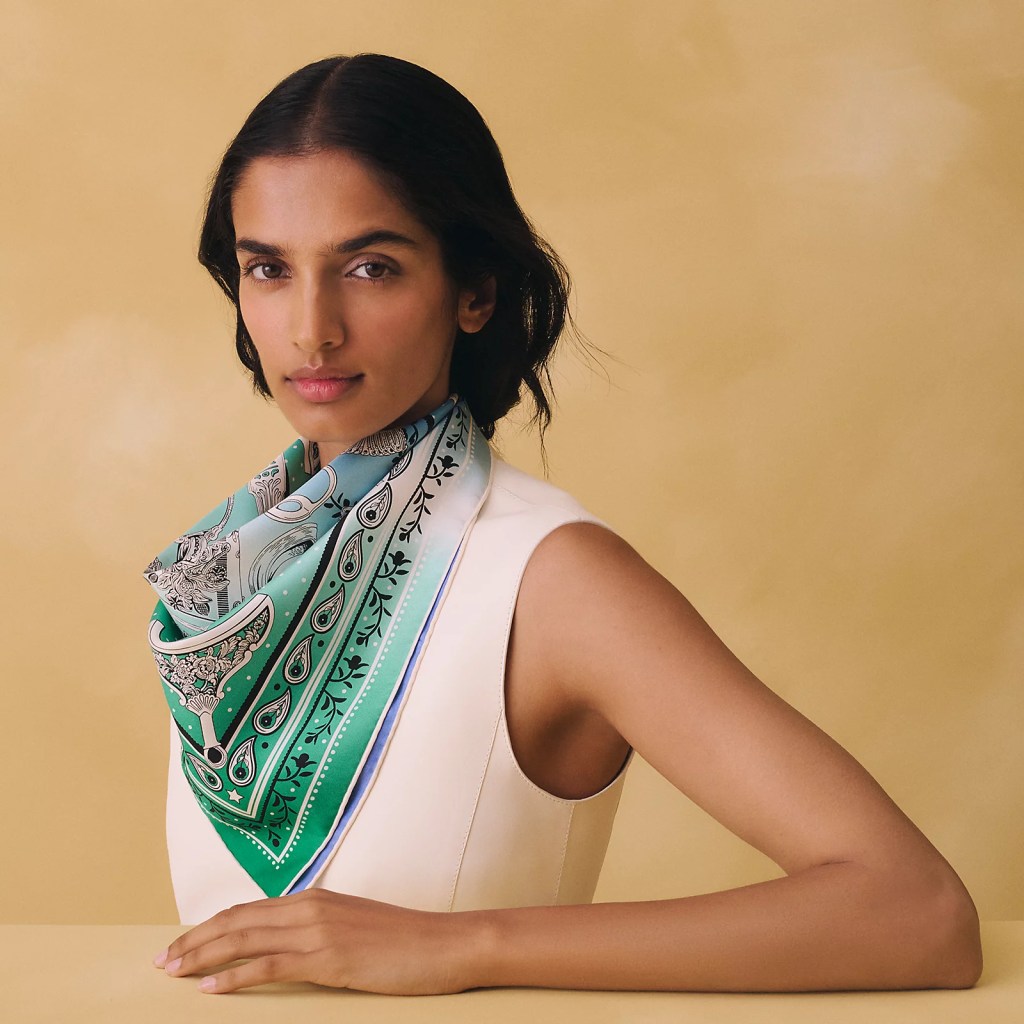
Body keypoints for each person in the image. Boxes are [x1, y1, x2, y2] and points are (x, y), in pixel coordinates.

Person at [145, 53, 982, 996]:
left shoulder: (552, 578)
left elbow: (919, 914)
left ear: (475, 292)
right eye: (268, 269)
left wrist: (462, 947)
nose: (311, 328)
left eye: (370, 267)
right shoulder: (225, 580)